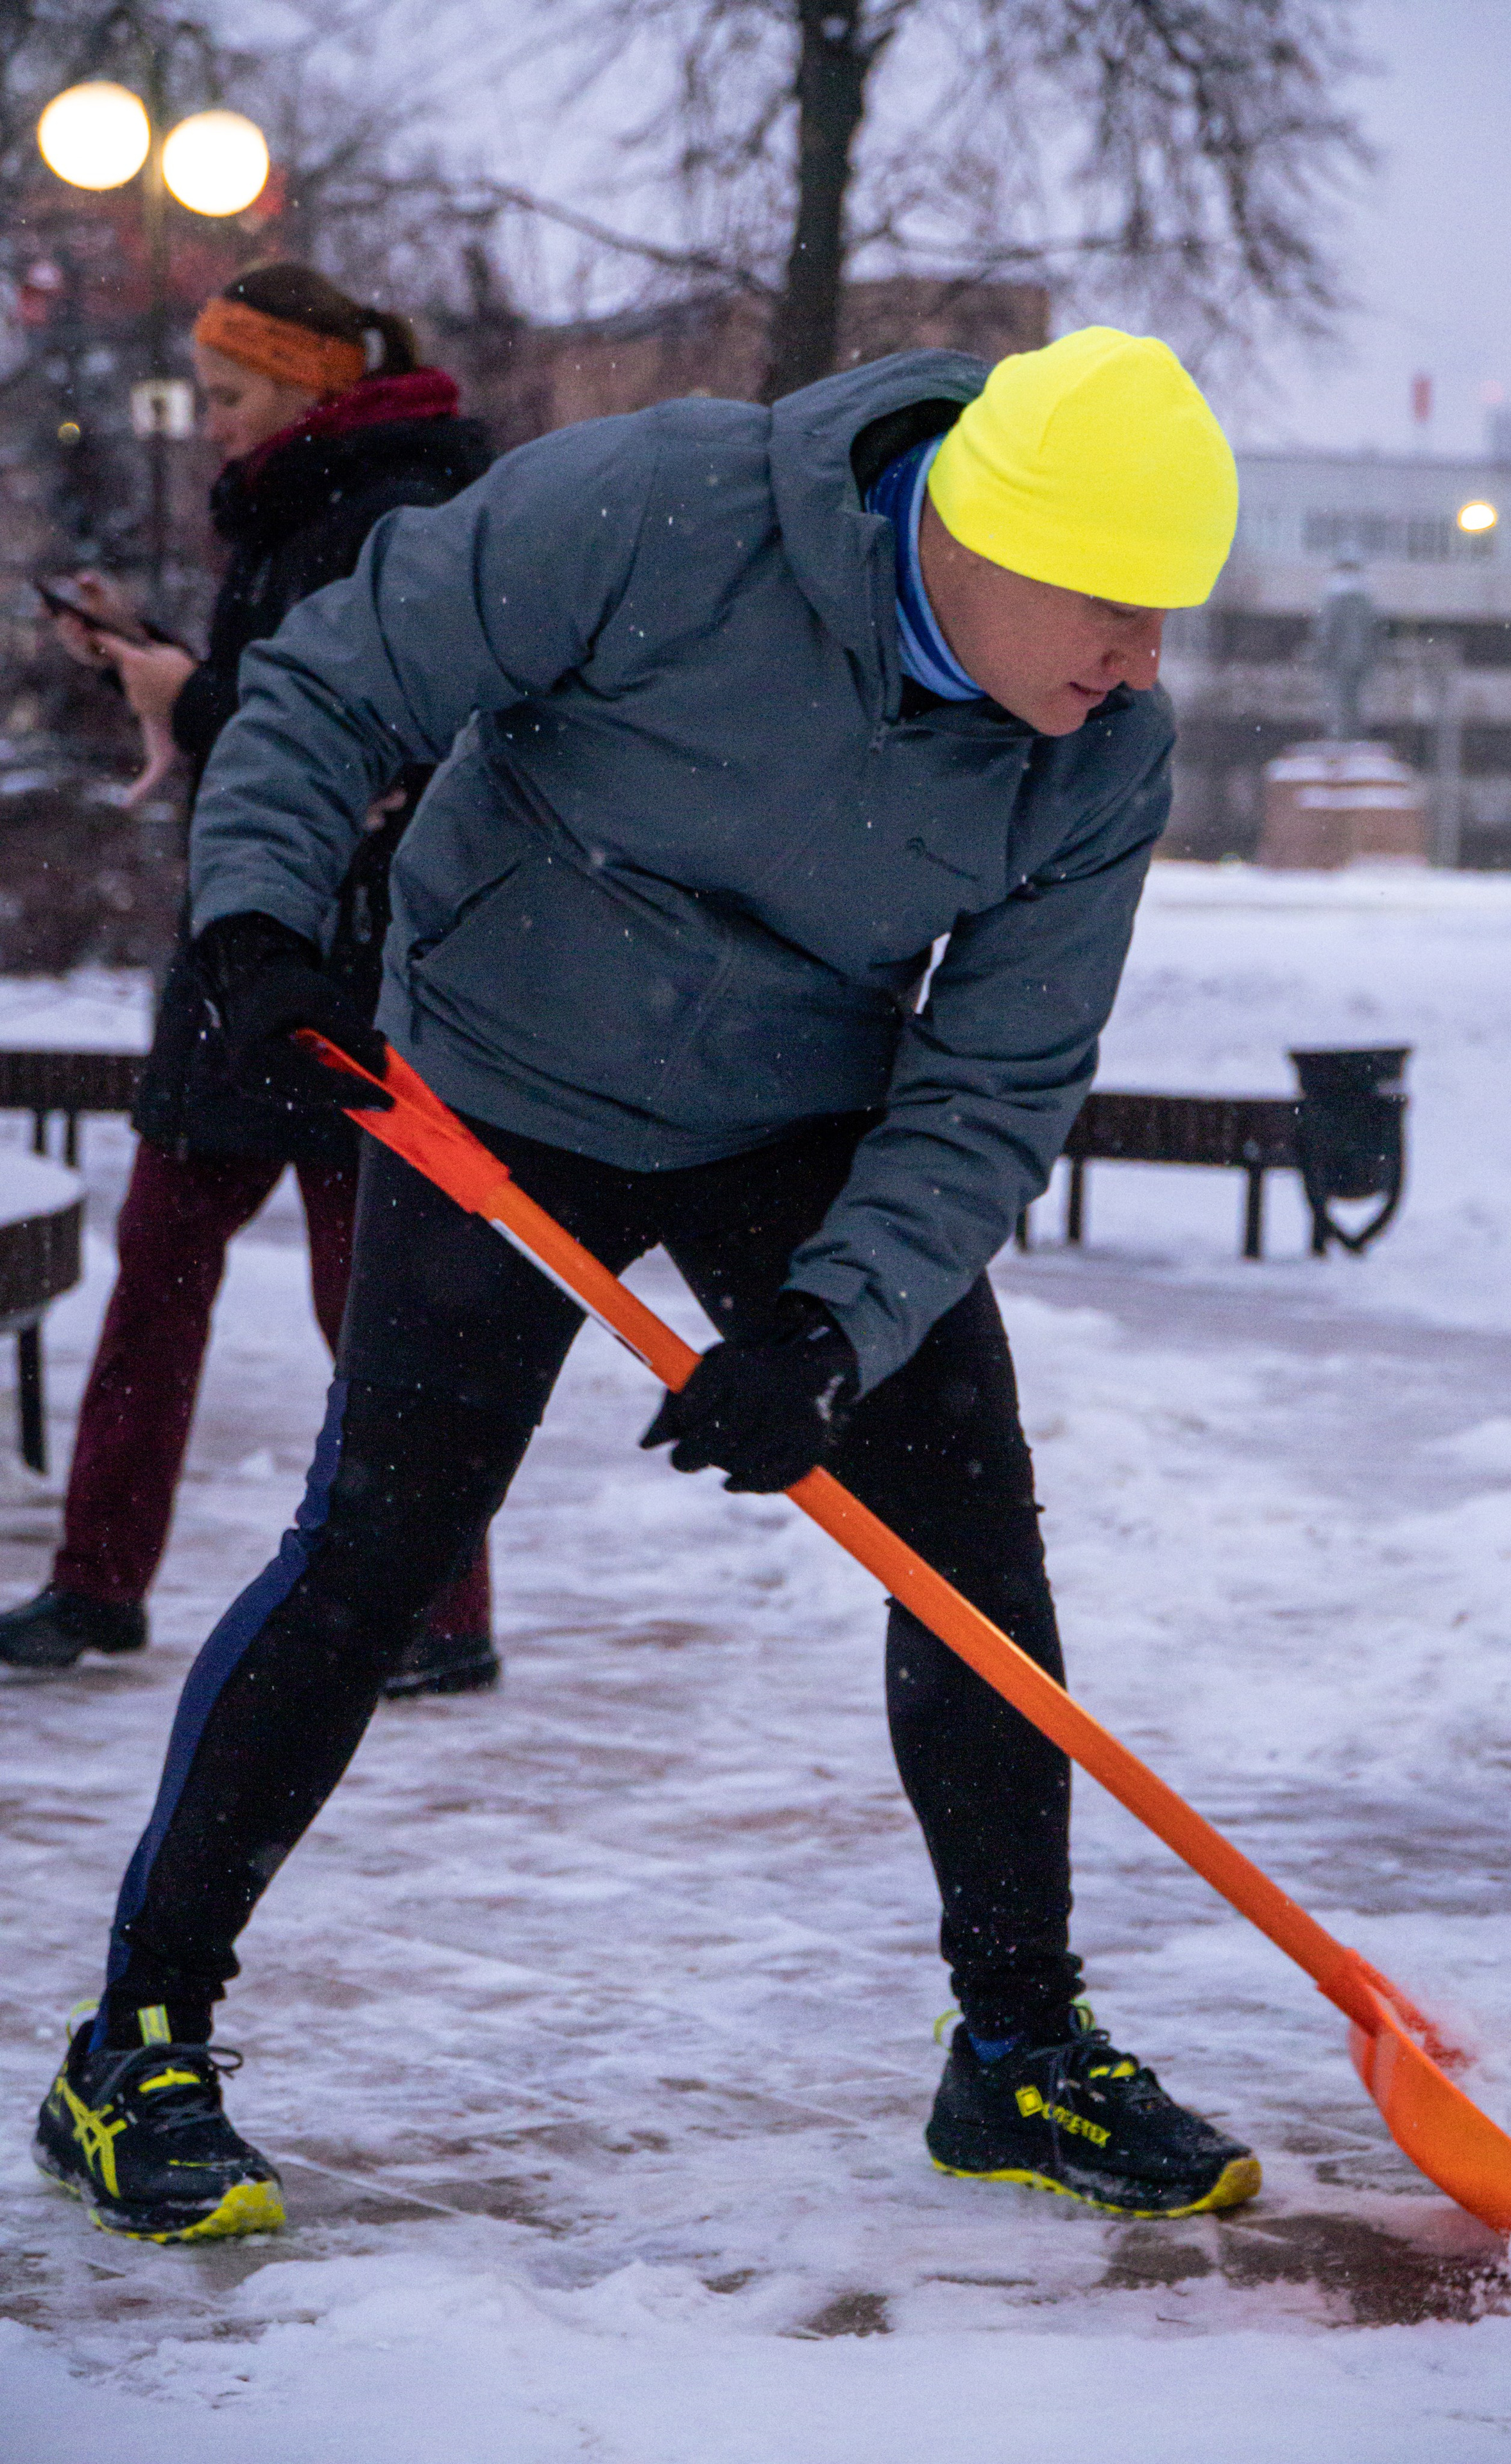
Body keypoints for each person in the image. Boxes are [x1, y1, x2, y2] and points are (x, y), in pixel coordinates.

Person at [33, 324, 1261, 2246]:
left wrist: (830, 1324)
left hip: (802, 1110)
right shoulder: (664, 510)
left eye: (1169, 615)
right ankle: (137, 2044)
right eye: (1113, 605)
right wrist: (262, 924)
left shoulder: (1102, 754)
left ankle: (1015, 2051)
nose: (1140, 660)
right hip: (505, 1075)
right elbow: (334, 685)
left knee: (968, 1545)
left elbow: (999, 1074)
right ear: (980, 533)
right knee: (381, 1549)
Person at [0, 262, 496, 1698]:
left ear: (307, 385)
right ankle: (101, 1586)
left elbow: (362, 745)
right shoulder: (303, 507)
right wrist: (155, 666)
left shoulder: (382, 514)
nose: (208, 419)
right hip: (254, 953)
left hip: (344, 968)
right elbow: (279, 720)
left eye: (226, 393)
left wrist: (187, 693)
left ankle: (441, 1614)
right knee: (172, 1276)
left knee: (373, 1309)